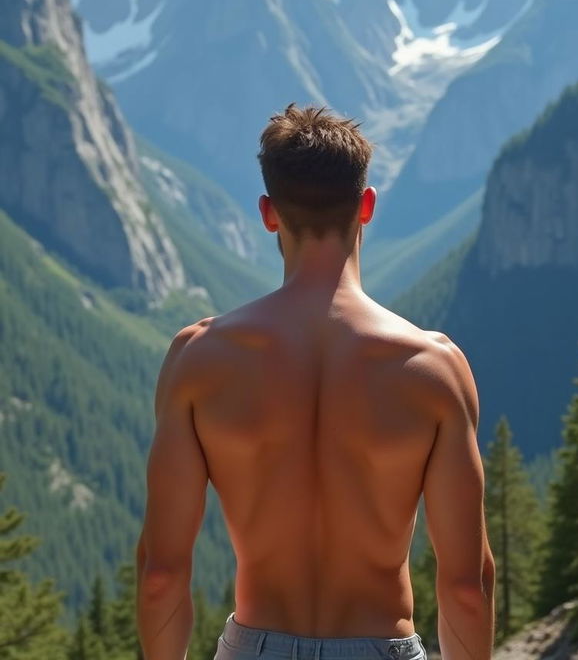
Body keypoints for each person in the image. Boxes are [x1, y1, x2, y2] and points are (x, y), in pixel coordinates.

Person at [136, 103, 495, 660]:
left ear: (268, 213)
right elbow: (467, 587)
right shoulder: (434, 369)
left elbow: (161, 575)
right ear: (367, 206)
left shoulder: (199, 359)